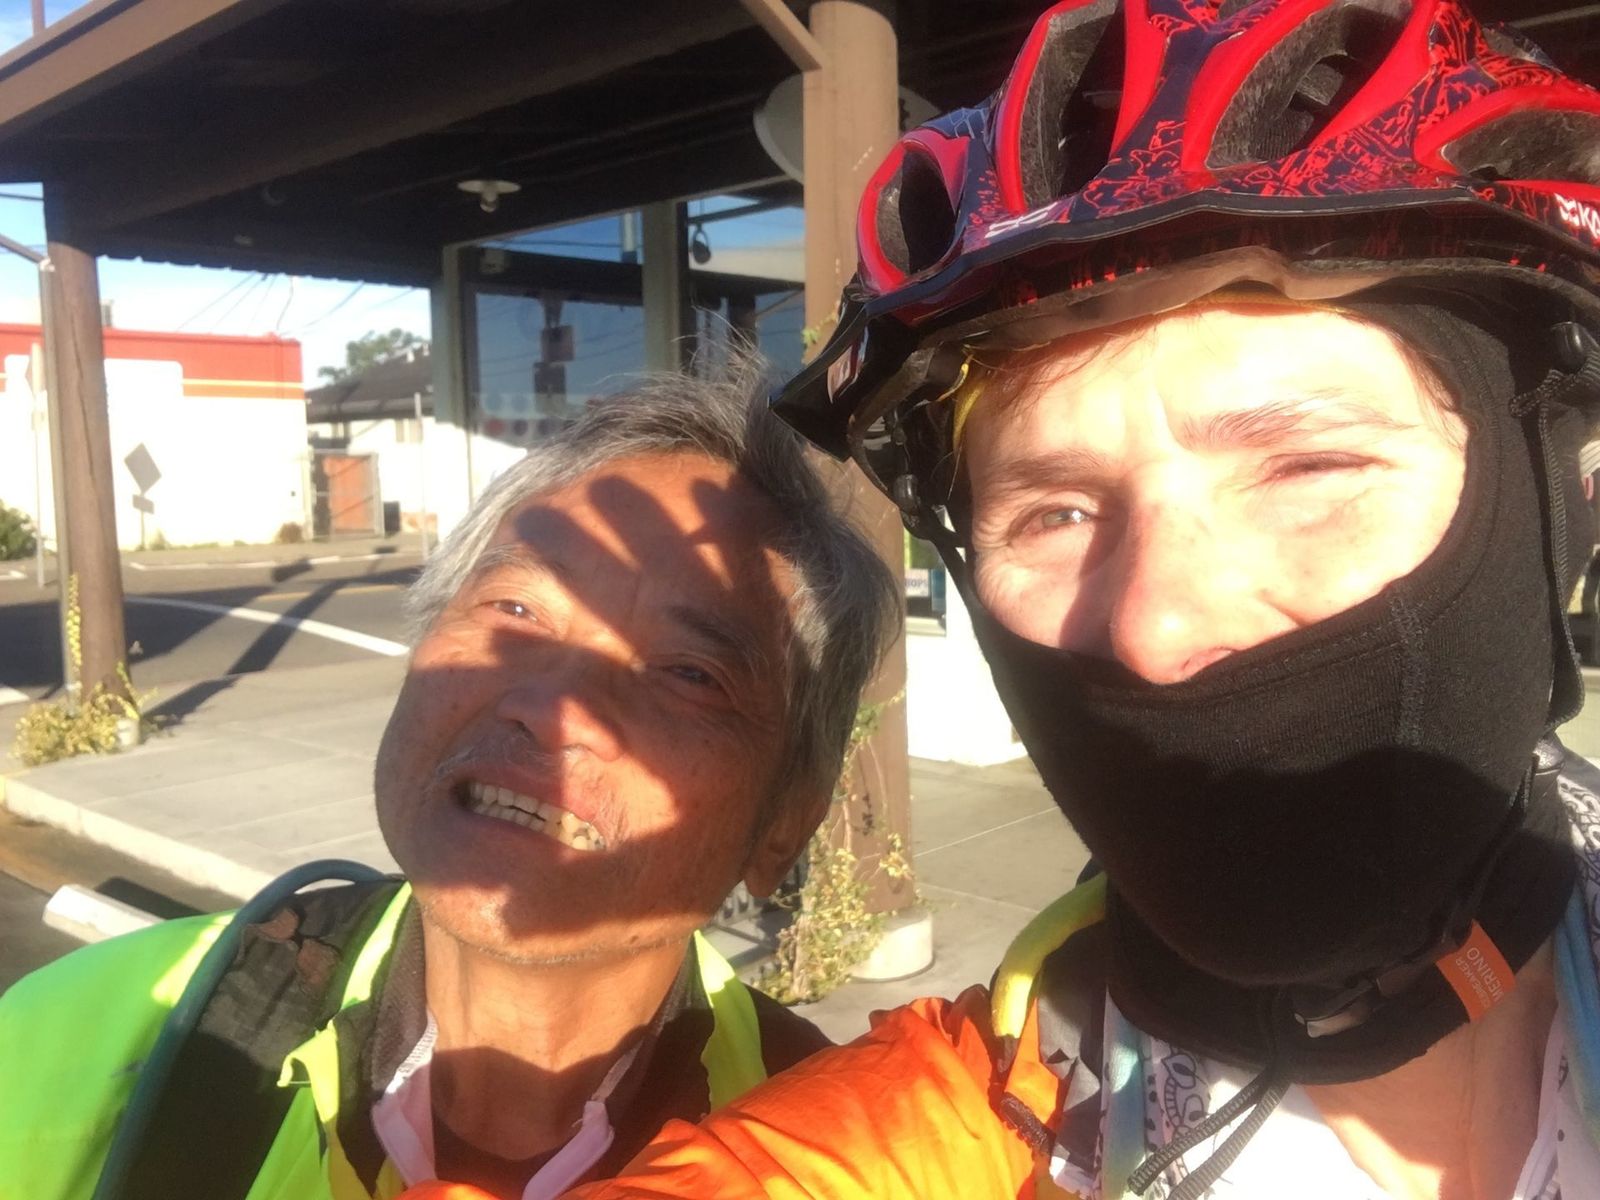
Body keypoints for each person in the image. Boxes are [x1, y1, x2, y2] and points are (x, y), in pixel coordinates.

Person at [402, 1, 1600, 1196]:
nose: (1158, 624)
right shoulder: (944, 1130)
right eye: (1054, 514)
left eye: (1308, 468)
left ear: (1562, 499)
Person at [0, 369, 901, 1200]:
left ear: (786, 820)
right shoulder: (91, 1036)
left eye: (690, 674)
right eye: (515, 609)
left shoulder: (848, 1154)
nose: (552, 708)